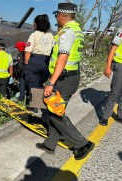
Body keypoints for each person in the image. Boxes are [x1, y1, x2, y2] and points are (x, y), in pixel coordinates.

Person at [36, 3, 95, 160]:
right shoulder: (78, 30)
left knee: (56, 114)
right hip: (70, 76)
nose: (57, 19)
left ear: (61, 16)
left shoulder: (67, 32)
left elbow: (63, 57)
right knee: (56, 110)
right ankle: (50, 144)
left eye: (57, 16)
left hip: (64, 78)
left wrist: (51, 82)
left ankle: (82, 144)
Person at [24, 14, 54, 112]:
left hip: (35, 60)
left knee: (33, 84)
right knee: (40, 83)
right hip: (46, 61)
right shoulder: (50, 35)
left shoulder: (34, 34)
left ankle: (35, 108)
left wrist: (26, 65)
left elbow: (28, 52)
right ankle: (41, 105)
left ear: (36, 24)